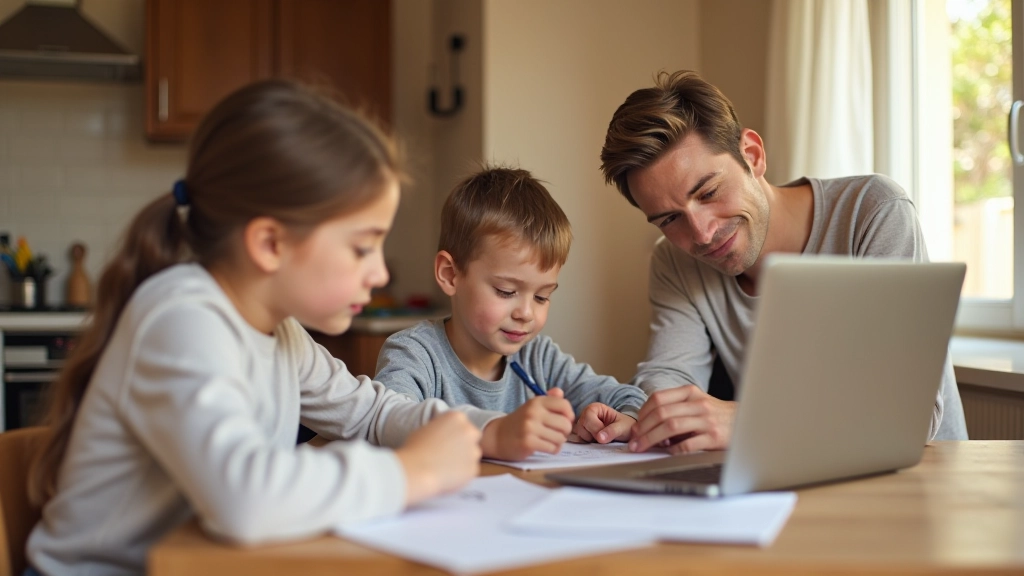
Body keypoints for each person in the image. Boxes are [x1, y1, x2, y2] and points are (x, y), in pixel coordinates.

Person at [23, 79, 481, 576]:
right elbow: (244, 498)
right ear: (269, 244)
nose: (380, 274)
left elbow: (367, 413)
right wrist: (411, 472)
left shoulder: (279, 332)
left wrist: (484, 432)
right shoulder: (182, 320)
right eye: (361, 246)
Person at [598, 70, 968, 455]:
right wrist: (639, 416)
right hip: (794, 473)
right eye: (670, 219)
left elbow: (908, 414)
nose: (702, 234)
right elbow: (669, 375)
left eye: (708, 192)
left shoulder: (872, 211)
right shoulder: (673, 261)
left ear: (752, 156)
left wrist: (749, 419)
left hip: (920, 477)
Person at [374, 167, 648, 461]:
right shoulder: (414, 354)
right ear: (450, 275)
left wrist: (619, 419)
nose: (526, 313)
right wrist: (497, 431)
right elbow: (389, 423)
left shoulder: (538, 358)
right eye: (506, 291)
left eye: (542, 296)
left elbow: (629, 398)